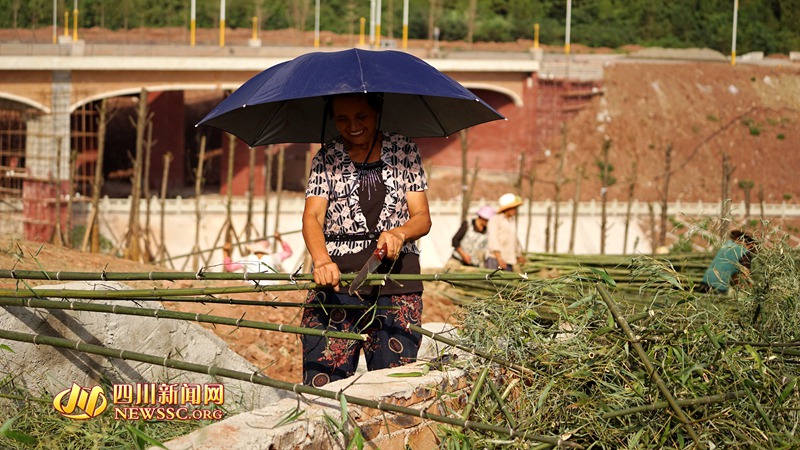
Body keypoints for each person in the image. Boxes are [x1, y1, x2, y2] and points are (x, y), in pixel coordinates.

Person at [301, 92, 432, 388]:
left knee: (393, 386)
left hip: (396, 285)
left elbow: (422, 217)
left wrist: (400, 233)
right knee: (323, 386)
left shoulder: (404, 150)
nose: (353, 126)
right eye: (342, 119)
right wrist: (321, 260)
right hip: (337, 284)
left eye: (361, 116)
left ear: (377, 111)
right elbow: (312, 217)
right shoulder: (326, 157)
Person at [696, 229, 758, 294]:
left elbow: (732, 272)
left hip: (705, 281)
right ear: (751, 245)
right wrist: (751, 291)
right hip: (719, 287)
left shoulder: (727, 245)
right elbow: (746, 276)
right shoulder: (744, 253)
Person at [222, 233, 293, 284]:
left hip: (251, 289)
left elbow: (229, 267)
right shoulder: (272, 258)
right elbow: (288, 252)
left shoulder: (247, 259)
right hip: (270, 288)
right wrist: (280, 239)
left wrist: (225, 251)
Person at [486, 192, 525, 271]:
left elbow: (514, 240)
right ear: (507, 208)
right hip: (496, 260)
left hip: (509, 260)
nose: (515, 210)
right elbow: (493, 240)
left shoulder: (511, 221)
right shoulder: (495, 220)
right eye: (513, 208)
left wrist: (518, 255)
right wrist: (499, 258)